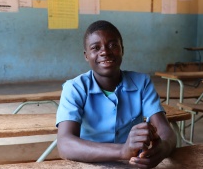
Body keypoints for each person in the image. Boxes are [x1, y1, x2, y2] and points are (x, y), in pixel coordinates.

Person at [56, 20, 176, 168]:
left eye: (113, 45)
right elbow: (65, 144)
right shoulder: (74, 88)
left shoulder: (141, 83)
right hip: (89, 163)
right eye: (96, 47)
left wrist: (161, 150)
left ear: (122, 49)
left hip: (132, 164)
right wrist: (123, 151)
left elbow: (166, 131)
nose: (105, 52)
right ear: (86, 55)